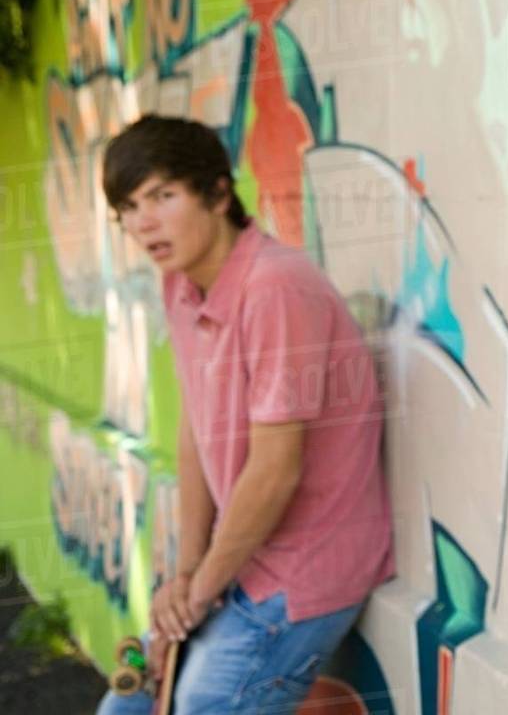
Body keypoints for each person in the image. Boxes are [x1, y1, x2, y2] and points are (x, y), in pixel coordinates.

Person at [95, 115, 395, 714]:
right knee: (125, 709)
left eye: (163, 196)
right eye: (129, 207)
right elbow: (195, 426)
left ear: (218, 193)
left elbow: (276, 470)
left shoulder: (275, 289)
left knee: (204, 701)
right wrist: (185, 574)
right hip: (236, 560)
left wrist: (199, 593)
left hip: (302, 572)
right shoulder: (180, 284)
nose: (143, 222)